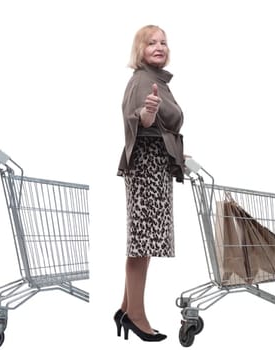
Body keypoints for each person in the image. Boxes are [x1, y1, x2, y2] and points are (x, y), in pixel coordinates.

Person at [114, 24, 186, 343]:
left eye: (164, 42)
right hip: (146, 166)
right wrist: (145, 115)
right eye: (151, 43)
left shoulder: (156, 80)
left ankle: (126, 308)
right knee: (142, 244)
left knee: (144, 243)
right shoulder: (142, 80)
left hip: (156, 165)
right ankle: (136, 316)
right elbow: (137, 118)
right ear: (139, 49)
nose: (159, 47)